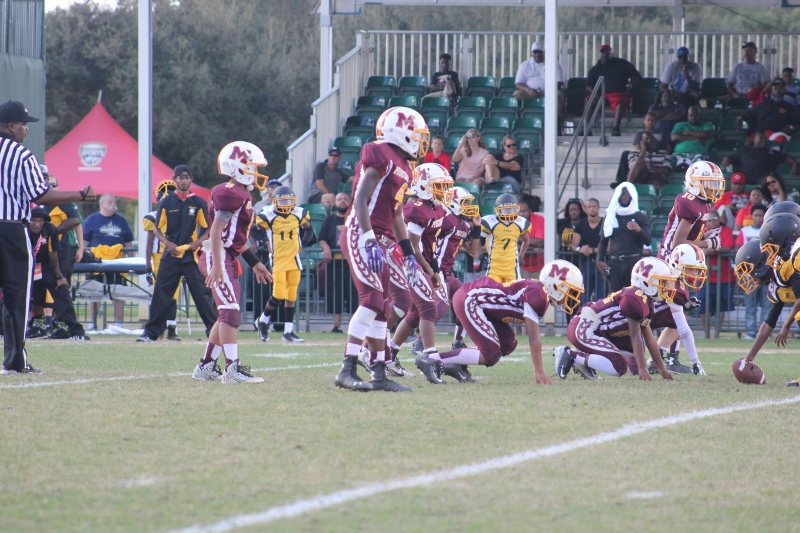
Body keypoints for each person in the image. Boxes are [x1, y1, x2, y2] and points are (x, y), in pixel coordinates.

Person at [333, 106, 430, 392]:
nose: (420, 142)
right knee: (372, 300)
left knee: (383, 307)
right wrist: (367, 238)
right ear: (399, 133)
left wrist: (408, 254)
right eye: (416, 135)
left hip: (381, 237)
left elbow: (397, 214)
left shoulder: (406, 168)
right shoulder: (381, 154)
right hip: (361, 232)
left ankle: (378, 372)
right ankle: (347, 368)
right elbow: (360, 199)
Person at [0, 99, 96, 375]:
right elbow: (40, 194)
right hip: (11, 230)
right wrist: (81, 194)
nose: (26, 130)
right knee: (16, 296)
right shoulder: (21, 155)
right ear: (11, 126)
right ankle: (15, 361)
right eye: (23, 125)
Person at [415, 260, 584, 385]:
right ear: (555, 285)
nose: (571, 296)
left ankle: (456, 364)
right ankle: (431, 359)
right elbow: (534, 338)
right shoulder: (538, 295)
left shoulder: (539, 292)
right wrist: (539, 372)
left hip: (482, 305)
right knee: (490, 354)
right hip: (470, 299)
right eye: (569, 290)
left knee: (507, 344)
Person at [193, 141, 272, 384]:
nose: (255, 173)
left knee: (226, 314)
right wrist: (217, 265)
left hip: (224, 255)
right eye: (251, 167)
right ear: (237, 167)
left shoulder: (239, 193)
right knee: (230, 313)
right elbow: (217, 231)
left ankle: (206, 366)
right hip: (217, 255)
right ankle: (232, 369)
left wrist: (255, 263)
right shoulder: (229, 193)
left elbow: (235, 238)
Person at [554, 257, 675, 381]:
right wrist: (642, 368)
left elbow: (650, 339)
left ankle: (582, 358)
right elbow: (635, 335)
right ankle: (570, 354)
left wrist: (662, 369)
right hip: (585, 327)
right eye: (663, 282)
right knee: (619, 366)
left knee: (631, 348)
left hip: (596, 330)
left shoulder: (646, 302)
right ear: (647, 282)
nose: (666, 286)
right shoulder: (634, 297)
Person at [137, 166, 218, 343]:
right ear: (175, 179)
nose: (184, 181)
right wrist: (168, 244)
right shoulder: (166, 202)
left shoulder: (198, 202)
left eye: (187, 178)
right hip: (171, 253)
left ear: (191, 180)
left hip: (191, 256)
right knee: (161, 293)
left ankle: (214, 332)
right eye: (180, 178)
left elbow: (208, 229)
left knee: (202, 294)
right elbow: (157, 229)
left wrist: (195, 244)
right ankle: (151, 333)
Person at [387, 163, 452, 383]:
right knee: (428, 308)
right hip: (409, 262)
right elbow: (414, 247)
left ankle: (390, 352)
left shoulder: (437, 208)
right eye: (439, 186)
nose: (444, 191)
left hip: (421, 262)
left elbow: (429, 244)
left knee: (415, 313)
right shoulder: (416, 210)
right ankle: (430, 357)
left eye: (445, 186)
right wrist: (429, 270)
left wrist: (435, 269)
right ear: (423, 186)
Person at [734, 237, 800, 388]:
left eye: (750, 271)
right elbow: (769, 321)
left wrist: (786, 325)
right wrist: (750, 356)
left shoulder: (786, 266)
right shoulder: (774, 284)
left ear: (760, 264)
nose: (750, 277)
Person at [254, 185, 316, 343]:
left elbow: (310, 230)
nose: (286, 205)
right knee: (279, 294)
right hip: (278, 259)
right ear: (274, 202)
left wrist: (303, 244)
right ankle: (262, 320)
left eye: (289, 201)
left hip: (294, 259)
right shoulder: (267, 215)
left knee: (291, 295)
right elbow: (253, 230)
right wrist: (265, 241)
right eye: (282, 202)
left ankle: (288, 332)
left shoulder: (298, 213)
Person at [26, 208, 89, 341]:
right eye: (34, 221)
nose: (37, 224)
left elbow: (53, 253)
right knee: (33, 294)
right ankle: (37, 325)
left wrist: (59, 276)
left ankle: (72, 329)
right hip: (29, 263)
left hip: (49, 263)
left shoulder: (50, 229)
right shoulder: (23, 229)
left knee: (60, 291)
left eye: (40, 221)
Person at [647, 243, 708, 375]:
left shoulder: (672, 277)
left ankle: (654, 361)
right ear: (677, 265)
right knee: (627, 367)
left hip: (645, 318)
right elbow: (683, 330)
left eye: (698, 270)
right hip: (633, 322)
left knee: (677, 320)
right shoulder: (674, 284)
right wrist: (696, 362)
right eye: (691, 269)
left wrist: (682, 306)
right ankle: (651, 360)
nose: (696, 273)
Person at [434, 186, 481, 352]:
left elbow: (473, 251)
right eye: (465, 203)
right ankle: (419, 342)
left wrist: (477, 228)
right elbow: (429, 237)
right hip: (435, 270)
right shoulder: (447, 220)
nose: (468, 206)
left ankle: (458, 342)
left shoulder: (464, 224)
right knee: (436, 309)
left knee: (466, 301)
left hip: (448, 272)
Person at [83, 193, 134, 330]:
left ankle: (119, 323)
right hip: (97, 262)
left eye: (114, 202)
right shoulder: (92, 220)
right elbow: (84, 241)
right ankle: (93, 322)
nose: (113, 204)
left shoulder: (121, 220)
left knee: (118, 291)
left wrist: (131, 259)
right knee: (95, 291)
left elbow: (128, 241)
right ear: (102, 204)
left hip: (117, 263)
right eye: (110, 202)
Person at [656, 161, 726, 261]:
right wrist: (707, 243)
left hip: (685, 257)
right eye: (709, 184)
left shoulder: (705, 204)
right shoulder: (689, 203)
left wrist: (705, 237)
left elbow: (691, 236)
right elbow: (678, 243)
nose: (713, 188)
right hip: (671, 257)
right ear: (694, 183)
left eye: (715, 183)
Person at [141, 179, 181, 340]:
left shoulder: (181, 215)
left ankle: (171, 328)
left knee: (173, 295)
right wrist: (148, 266)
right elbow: (149, 244)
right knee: (162, 294)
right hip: (160, 258)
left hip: (177, 255)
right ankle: (159, 328)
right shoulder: (153, 217)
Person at [596, 183, 651, 293]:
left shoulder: (640, 217)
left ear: (632, 195)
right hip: (615, 263)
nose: (624, 196)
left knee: (633, 295)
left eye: (627, 193)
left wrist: (639, 230)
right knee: (615, 297)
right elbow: (603, 242)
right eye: (621, 194)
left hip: (634, 262)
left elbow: (648, 241)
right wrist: (599, 260)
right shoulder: (611, 216)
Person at [318, 192, 356, 334]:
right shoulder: (329, 220)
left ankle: (353, 327)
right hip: (334, 265)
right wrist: (326, 247)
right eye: (339, 199)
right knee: (335, 296)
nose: (342, 201)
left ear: (350, 202)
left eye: (345, 199)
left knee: (354, 296)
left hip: (352, 265)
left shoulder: (354, 219)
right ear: (335, 202)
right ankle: (336, 326)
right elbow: (321, 238)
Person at [585, 44, 641, 137]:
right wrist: (594, 93)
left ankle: (615, 128)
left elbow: (636, 76)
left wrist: (629, 86)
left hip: (617, 94)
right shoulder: (595, 69)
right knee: (589, 100)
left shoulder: (622, 64)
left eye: (607, 52)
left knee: (620, 101)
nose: (604, 54)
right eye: (603, 52)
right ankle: (586, 128)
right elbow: (588, 85)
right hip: (600, 95)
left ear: (611, 53)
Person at [697, 209, 735, 333]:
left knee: (721, 306)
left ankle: (717, 332)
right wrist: (706, 250)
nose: (712, 222)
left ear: (719, 220)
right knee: (703, 304)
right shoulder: (701, 231)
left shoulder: (726, 231)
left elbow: (728, 248)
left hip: (724, 276)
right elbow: (697, 247)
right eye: (709, 220)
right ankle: (706, 332)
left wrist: (713, 249)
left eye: (715, 219)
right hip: (704, 276)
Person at [735, 204, 768, 339]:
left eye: (761, 215)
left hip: (767, 274)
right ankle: (750, 332)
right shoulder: (745, 231)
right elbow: (738, 248)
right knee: (750, 305)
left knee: (767, 305)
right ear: (751, 216)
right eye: (756, 215)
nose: (758, 218)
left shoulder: (769, 230)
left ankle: (764, 333)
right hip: (749, 275)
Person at [481, 193, 530, 283]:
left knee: (513, 290)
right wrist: (480, 254)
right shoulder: (490, 222)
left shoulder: (519, 223)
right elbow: (478, 239)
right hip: (494, 267)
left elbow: (526, 240)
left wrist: (521, 256)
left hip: (511, 267)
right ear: (497, 210)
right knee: (492, 290)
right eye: (506, 210)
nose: (509, 213)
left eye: (512, 209)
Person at [721, 132, 798, 184]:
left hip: (763, 179)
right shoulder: (744, 151)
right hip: (746, 178)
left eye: (765, 138)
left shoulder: (772, 152)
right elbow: (730, 157)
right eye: (761, 138)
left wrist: (794, 164)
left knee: (771, 180)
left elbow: (786, 157)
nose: (763, 140)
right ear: (754, 139)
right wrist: (726, 160)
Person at [512, 41, 565, 117]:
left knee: (557, 96)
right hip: (529, 93)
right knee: (517, 94)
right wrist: (528, 90)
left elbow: (559, 82)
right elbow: (518, 83)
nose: (537, 54)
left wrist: (549, 91)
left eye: (539, 52)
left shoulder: (554, 63)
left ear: (544, 52)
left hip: (548, 93)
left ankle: (558, 121)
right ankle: (520, 119)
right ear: (532, 53)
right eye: (535, 52)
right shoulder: (525, 65)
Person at [571, 198, 605, 303]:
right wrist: (579, 249)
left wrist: (593, 250)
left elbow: (610, 246)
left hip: (602, 264)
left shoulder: (605, 223)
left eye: (594, 206)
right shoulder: (581, 224)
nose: (591, 209)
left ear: (599, 208)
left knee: (602, 299)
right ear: (585, 208)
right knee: (583, 298)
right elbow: (573, 245)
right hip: (585, 264)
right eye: (589, 207)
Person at [519, 194, 545, 279]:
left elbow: (540, 242)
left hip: (539, 267)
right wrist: (532, 248)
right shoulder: (513, 220)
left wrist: (518, 239)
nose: (521, 214)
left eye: (524, 211)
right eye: (519, 211)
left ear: (530, 210)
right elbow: (512, 244)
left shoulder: (539, 219)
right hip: (520, 266)